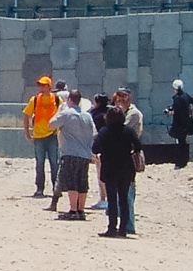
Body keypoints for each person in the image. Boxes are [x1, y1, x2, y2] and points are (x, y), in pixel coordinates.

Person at [50, 89, 98, 221]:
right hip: (84, 154)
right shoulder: (87, 116)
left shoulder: (66, 113)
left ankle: (73, 209)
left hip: (70, 152)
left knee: (72, 182)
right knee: (82, 181)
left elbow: (51, 125)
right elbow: (95, 134)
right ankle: (81, 210)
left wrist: (59, 111)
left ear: (69, 100)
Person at [95, 102, 142, 234]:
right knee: (123, 199)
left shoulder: (104, 131)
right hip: (126, 168)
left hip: (110, 167)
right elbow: (138, 146)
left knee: (112, 199)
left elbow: (95, 148)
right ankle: (123, 229)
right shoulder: (129, 130)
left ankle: (111, 228)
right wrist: (131, 152)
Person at [22, 76, 60, 198]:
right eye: (39, 85)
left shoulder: (57, 100)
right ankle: (39, 189)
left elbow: (63, 115)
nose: (41, 87)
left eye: (43, 85)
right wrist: (27, 134)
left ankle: (56, 188)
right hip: (38, 137)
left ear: (49, 86)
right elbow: (26, 116)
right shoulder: (34, 100)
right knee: (39, 164)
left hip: (53, 136)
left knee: (55, 163)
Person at [168, 80, 193, 169]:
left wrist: (169, 112)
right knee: (183, 142)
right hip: (186, 123)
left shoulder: (177, 98)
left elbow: (176, 111)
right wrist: (191, 115)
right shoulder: (186, 96)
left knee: (180, 143)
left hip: (179, 123)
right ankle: (184, 161)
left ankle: (180, 163)